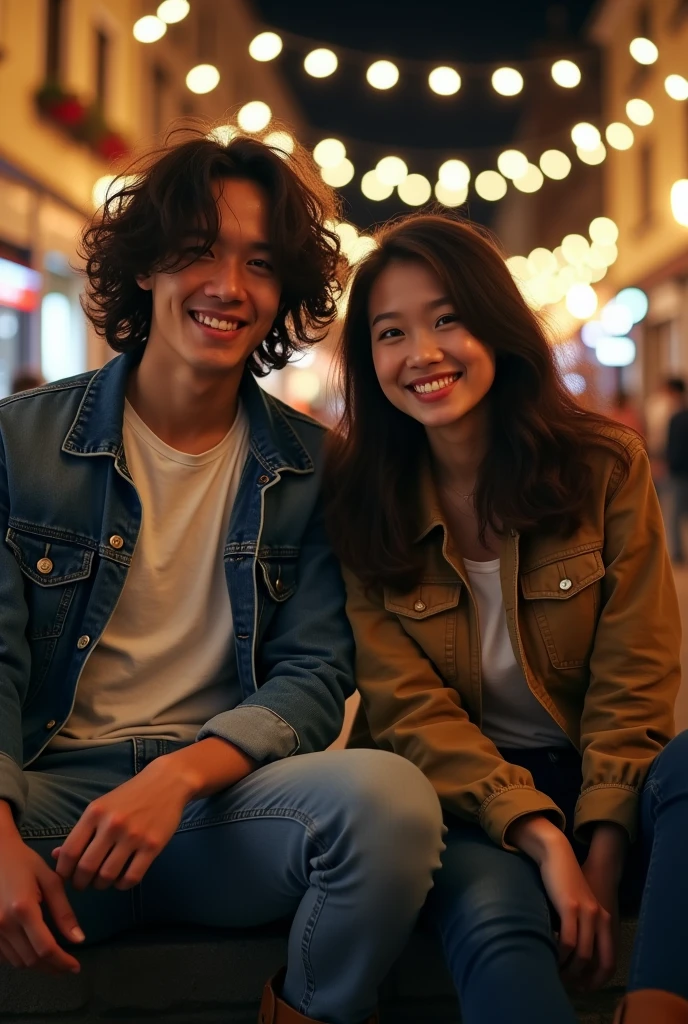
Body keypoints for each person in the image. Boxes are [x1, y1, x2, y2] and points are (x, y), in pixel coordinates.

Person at [0, 132, 445, 1024]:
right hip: (48, 811)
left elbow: (318, 671)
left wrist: (180, 777)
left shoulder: (318, 468)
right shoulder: (21, 445)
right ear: (148, 268)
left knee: (389, 800)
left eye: (260, 263)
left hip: (221, 812)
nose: (228, 288)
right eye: (200, 250)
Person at [325, 213, 688, 1024]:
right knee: (497, 922)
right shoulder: (359, 503)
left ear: (497, 324)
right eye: (391, 333)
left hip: (600, 781)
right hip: (455, 796)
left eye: (447, 318)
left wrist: (600, 843)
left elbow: (638, 675)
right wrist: (541, 836)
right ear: (368, 358)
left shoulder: (602, 466)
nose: (422, 353)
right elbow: (405, 706)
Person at [667, 398, 688, 563]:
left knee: (674, 515)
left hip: (678, 471)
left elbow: (671, 446)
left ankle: (677, 553)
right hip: (679, 471)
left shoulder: (676, 418)